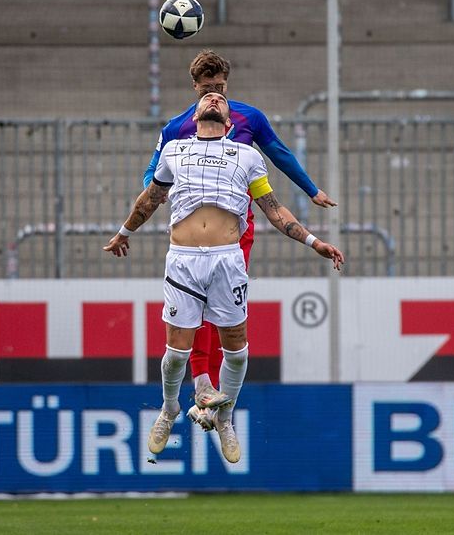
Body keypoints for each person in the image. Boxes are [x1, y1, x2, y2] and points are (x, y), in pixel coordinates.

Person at [106, 92, 344, 463]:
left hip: (227, 262)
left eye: (221, 98)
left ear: (230, 122)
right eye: (208, 97)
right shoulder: (174, 150)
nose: (214, 98)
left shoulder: (247, 156)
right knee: (176, 354)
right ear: (195, 115)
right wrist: (125, 232)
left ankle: (225, 418)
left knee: (236, 349)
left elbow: (273, 209)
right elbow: (150, 199)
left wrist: (314, 242)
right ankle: (169, 409)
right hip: (183, 261)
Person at [142, 49, 337, 431]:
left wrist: (310, 189)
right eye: (207, 87)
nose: (214, 93)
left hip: (238, 230)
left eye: (220, 86)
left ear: (227, 83)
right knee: (196, 311)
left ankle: (215, 402)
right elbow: (152, 172)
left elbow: (278, 152)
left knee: (223, 312)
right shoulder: (178, 127)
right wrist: (154, 191)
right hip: (193, 235)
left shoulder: (249, 118)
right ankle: (202, 385)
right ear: (195, 87)